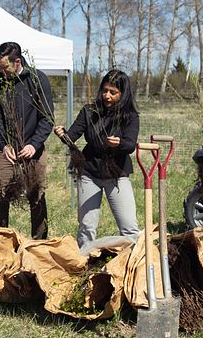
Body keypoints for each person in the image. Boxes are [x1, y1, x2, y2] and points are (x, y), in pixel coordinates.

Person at [54, 70, 140, 249]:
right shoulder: (89, 111)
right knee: (86, 226)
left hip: (117, 174)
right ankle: (83, 262)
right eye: (104, 90)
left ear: (123, 94)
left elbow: (130, 145)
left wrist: (119, 143)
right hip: (89, 173)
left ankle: (130, 263)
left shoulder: (130, 116)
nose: (107, 96)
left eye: (113, 92)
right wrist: (62, 135)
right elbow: (71, 136)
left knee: (129, 228)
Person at [0, 42, 54, 239]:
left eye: (5, 67)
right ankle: (0, 240)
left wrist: (34, 144)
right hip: (5, 148)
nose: (2, 71)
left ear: (18, 62)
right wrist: (3, 143)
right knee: (0, 194)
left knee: (37, 195)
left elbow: (47, 117)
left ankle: (39, 242)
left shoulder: (37, 79)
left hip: (33, 148)